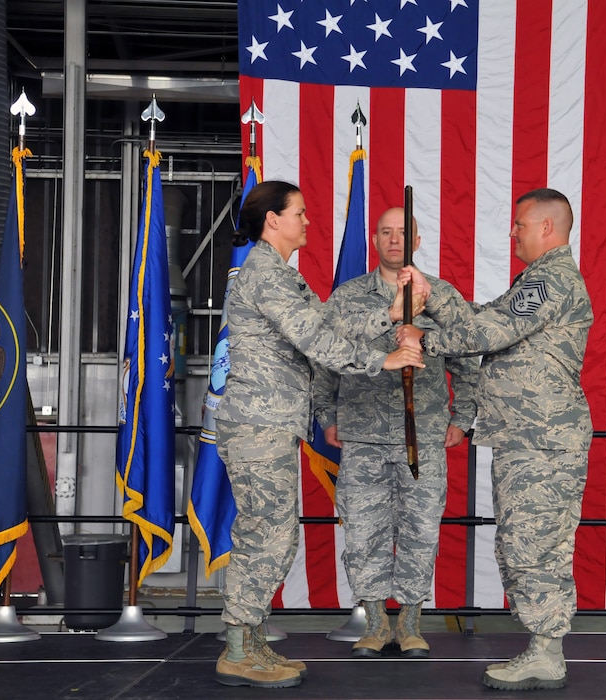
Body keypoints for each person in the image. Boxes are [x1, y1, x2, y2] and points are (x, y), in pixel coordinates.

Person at [214, 181, 425, 689]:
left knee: (275, 532)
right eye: (300, 213)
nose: (308, 221)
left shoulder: (280, 274)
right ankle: (239, 648)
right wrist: (385, 355)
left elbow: (327, 321)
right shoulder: (266, 274)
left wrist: (390, 312)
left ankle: (251, 639)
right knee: (267, 533)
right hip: (259, 424)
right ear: (272, 221)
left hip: (272, 423)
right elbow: (318, 339)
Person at [397, 188, 592, 691]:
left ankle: (547, 654)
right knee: (521, 543)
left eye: (519, 224)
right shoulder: (536, 280)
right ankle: (542, 647)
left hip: (543, 441)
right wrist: (431, 291)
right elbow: (483, 314)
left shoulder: (550, 279)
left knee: (535, 545)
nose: (512, 233)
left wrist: (424, 339)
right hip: (527, 438)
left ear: (547, 228)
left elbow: (491, 329)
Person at [314, 207, 479, 659]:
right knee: (364, 532)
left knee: (420, 531)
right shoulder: (348, 297)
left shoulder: (441, 297)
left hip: (423, 437)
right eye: (385, 232)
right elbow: (324, 358)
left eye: (402, 233)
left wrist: (461, 419)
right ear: (373, 240)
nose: (393, 240)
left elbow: (469, 358)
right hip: (363, 436)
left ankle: (409, 623)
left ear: (418, 242)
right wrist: (327, 416)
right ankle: (375, 623)